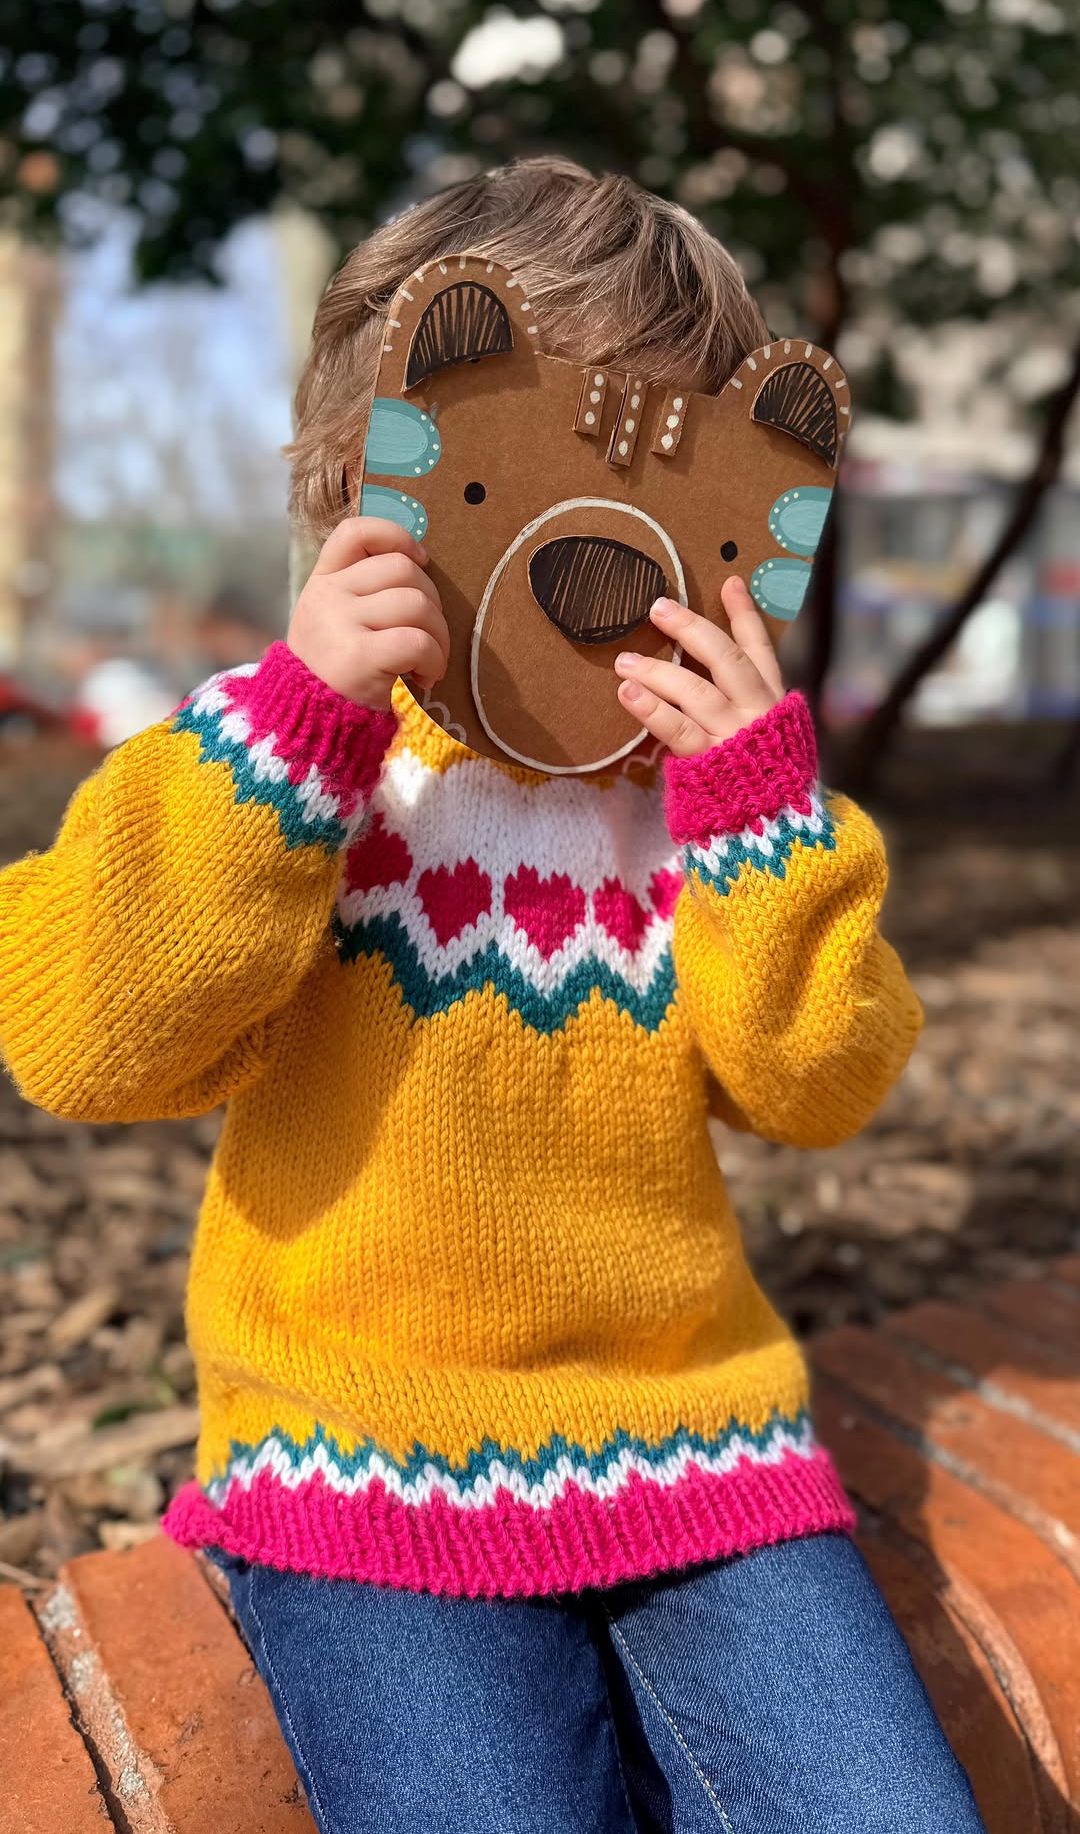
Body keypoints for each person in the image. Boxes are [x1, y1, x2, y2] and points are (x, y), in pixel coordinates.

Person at [0, 159, 985, 1834]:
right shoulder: (293, 765)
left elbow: (818, 1081)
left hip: (703, 1461)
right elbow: (86, 1038)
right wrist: (296, 735)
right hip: (362, 1466)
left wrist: (755, 809)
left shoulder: (699, 808)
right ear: (363, 479)